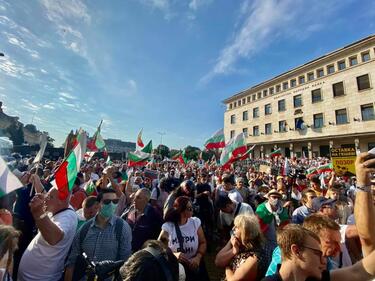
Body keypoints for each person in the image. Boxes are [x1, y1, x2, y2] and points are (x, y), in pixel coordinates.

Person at [261, 224, 375, 281]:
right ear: (296, 251)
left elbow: (358, 272)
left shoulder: (318, 277)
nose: (324, 260)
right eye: (318, 253)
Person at [65, 188, 132, 281]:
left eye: (115, 201)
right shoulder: (85, 229)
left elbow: (125, 263)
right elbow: (72, 261)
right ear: (98, 204)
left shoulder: (122, 228)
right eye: (107, 201)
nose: (112, 205)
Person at [18, 187, 77, 281]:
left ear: (61, 201)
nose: (45, 198)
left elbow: (54, 238)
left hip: (41, 278)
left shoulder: (68, 217)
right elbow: (51, 196)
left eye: (49, 197)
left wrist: (38, 213)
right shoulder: (57, 208)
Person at [158, 196, 210, 281]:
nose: (192, 210)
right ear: (181, 210)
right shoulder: (168, 226)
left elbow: (203, 242)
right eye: (189, 208)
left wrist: (198, 257)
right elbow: (159, 246)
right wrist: (174, 255)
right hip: (177, 267)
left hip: (195, 264)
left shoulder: (195, 222)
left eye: (192, 207)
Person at [215, 214, 273, 281]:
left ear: (245, 232)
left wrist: (227, 267)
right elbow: (218, 262)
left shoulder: (255, 256)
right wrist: (233, 251)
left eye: (236, 227)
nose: (233, 228)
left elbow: (233, 280)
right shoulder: (236, 240)